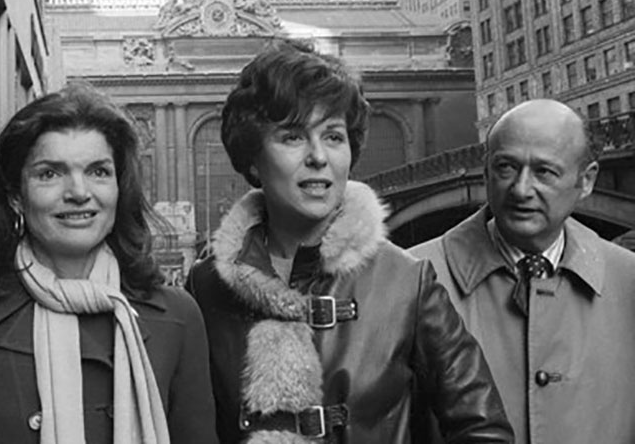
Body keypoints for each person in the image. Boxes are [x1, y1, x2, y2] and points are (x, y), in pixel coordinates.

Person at [185, 40, 512, 443]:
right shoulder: (206, 288)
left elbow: (483, 429)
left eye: (334, 136)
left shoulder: (405, 281)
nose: (319, 156)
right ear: (253, 157)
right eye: (292, 137)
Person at [0, 83, 217, 444]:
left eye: (98, 171)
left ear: (119, 187)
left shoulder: (176, 318)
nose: (79, 192)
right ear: (16, 197)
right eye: (50, 173)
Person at [411, 99, 635, 443]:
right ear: (485, 172)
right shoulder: (411, 280)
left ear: (586, 180)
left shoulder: (629, 280)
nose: (521, 189)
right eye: (506, 167)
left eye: (544, 171)